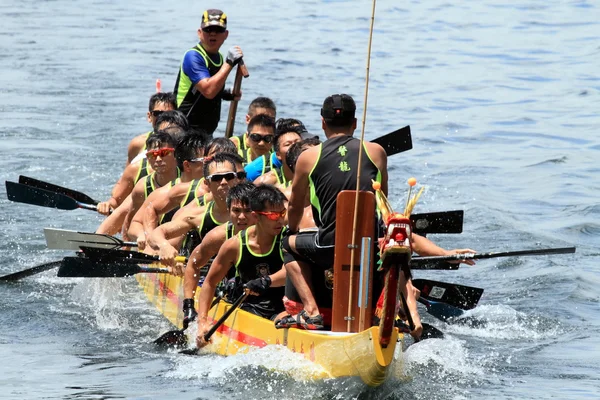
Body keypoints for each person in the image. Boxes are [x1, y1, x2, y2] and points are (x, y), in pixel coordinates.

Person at [281, 94, 475, 338]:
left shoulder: (307, 158)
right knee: (393, 244)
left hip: (329, 244)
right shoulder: (377, 152)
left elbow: (296, 207)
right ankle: (398, 312)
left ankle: (311, 313)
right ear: (354, 123)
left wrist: (292, 229)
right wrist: (447, 254)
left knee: (286, 244)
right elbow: (383, 206)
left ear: (322, 123)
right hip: (369, 246)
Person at [195, 185, 287, 349]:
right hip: (249, 308)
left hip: (282, 309)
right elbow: (209, 283)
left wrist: (266, 281)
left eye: (282, 213)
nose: (280, 220)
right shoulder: (234, 246)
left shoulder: (287, 238)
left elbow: (291, 272)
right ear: (256, 216)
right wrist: (202, 322)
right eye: (273, 215)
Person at [146, 153, 244, 267]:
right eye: (216, 178)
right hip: (205, 275)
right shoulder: (198, 215)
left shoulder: (252, 211)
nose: (223, 182)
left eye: (229, 176)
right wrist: (164, 246)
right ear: (207, 183)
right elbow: (156, 234)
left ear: (236, 179)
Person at [181, 182, 257, 327]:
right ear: (228, 211)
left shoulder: (271, 233)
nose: (241, 217)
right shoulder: (218, 237)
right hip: (230, 294)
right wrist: (189, 306)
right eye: (236, 210)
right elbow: (193, 263)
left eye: (247, 211)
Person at [96, 111, 189, 216]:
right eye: (161, 135)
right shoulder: (137, 170)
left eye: (172, 137)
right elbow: (117, 202)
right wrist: (108, 205)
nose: (158, 159)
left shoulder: (196, 172)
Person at [127, 131, 208, 247]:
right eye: (205, 161)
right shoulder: (161, 194)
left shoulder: (214, 190)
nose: (211, 165)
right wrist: (144, 236)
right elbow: (135, 224)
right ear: (187, 165)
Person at [173, 9, 243, 136]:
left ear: (226, 34)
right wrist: (229, 63)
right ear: (199, 33)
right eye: (208, 30)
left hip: (205, 132)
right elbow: (208, 90)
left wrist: (226, 94)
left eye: (218, 30)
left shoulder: (220, 58)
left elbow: (209, 90)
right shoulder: (193, 56)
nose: (213, 34)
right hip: (184, 131)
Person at [121, 132, 180, 237]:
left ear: (175, 154)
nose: (158, 159)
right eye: (153, 155)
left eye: (164, 153)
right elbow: (130, 222)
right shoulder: (142, 188)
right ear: (147, 158)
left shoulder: (187, 180)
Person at [244, 118, 308, 181]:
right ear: (278, 154)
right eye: (288, 144)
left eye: (297, 142)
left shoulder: (311, 160)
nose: (294, 147)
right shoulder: (256, 171)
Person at [126, 92, 176, 164]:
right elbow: (128, 173)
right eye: (158, 113)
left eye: (169, 114)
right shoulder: (137, 144)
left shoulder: (183, 144)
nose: (163, 117)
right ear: (149, 117)